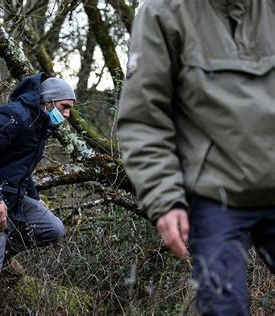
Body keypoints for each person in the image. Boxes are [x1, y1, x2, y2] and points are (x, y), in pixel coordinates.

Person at [117, 1, 275, 314]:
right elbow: (144, 119)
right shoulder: (163, 13)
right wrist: (165, 199)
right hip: (215, 195)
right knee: (222, 307)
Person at [0, 72, 75, 314]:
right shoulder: (13, 116)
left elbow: (22, 170)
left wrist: (37, 201)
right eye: (64, 107)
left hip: (14, 198)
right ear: (49, 100)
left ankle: (2, 251)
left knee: (53, 228)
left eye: (70, 109)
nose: (66, 115)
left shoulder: (40, 125)